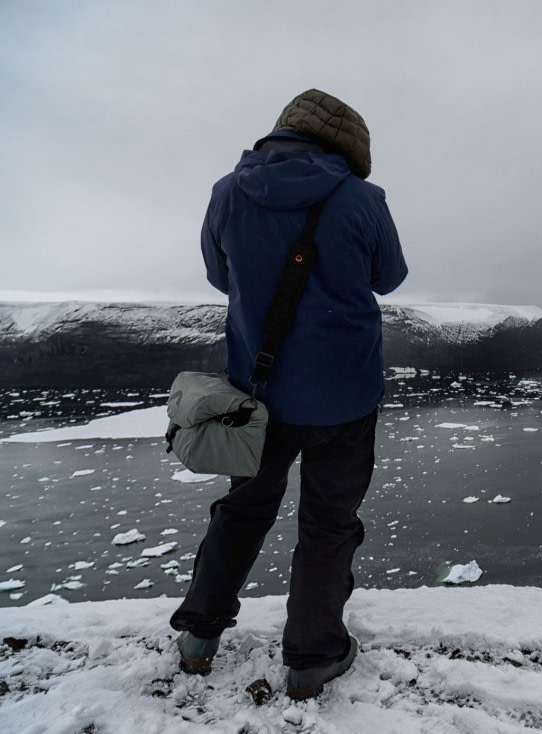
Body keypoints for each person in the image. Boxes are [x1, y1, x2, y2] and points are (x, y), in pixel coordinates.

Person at [169, 89, 407, 700]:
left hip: (258, 394)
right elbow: (389, 276)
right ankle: (311, 657)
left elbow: (220, 275)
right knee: (328, 524)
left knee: (243, 510)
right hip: (344, 398)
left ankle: (198, 635)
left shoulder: (228, 191)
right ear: (349, 146)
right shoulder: (361, 198)